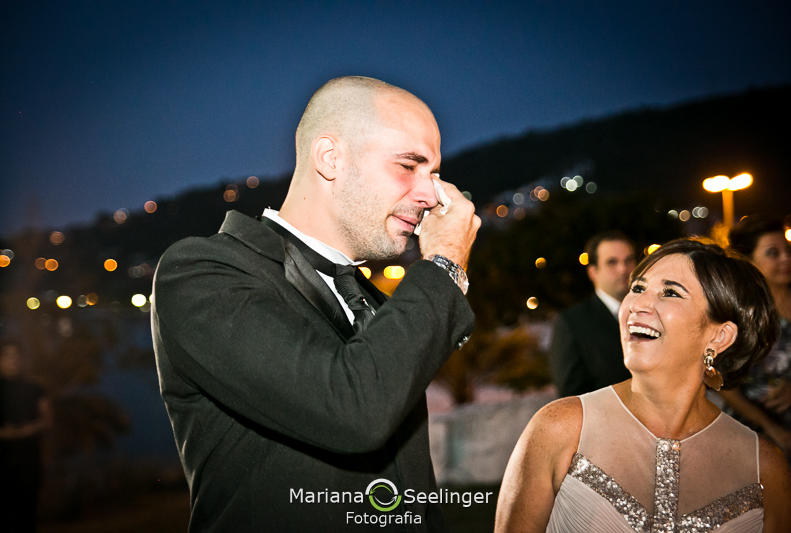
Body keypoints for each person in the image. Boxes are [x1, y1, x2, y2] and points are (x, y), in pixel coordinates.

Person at [151, 76, 480, 532]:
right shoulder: (204, 270)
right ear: (330, 158)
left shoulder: (373, 303)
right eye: (409, 165)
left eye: (434, 174)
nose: (430, 196)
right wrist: (445, 265)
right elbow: (354, 410)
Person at [496, 239, 791, 533]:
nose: (637, 304)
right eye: (637, 288)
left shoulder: (766, 467)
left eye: (671, 292)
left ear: (719, 337)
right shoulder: (558, 428)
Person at [720, 216, 791, 458]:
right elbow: (720, 381)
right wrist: (771, 429)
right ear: (750, 262)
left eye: (787, 250)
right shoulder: (738, 314)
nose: (786, 259)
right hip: (752, 434)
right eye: (773, 253)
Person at [548, 231, 636, 397]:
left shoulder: (653, 312)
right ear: (593, 272)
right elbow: (570, 394)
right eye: (612, 262)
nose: (623, 269)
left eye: (629, 260)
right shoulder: (571, 322)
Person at [0, 340, 52, 533]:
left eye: (16, 355)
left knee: (26, 515)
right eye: (7, 356)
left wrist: (29, 429)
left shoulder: (35, 388)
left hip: (29, 462)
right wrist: (11, 433)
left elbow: (48, 419)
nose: (13, 360)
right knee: (1, 516)